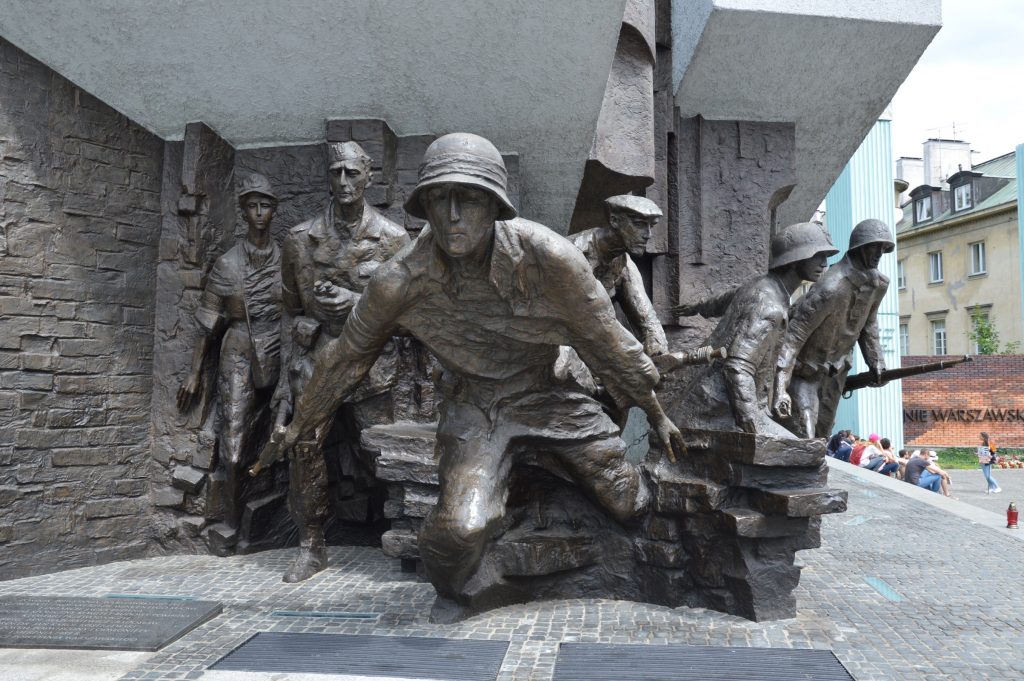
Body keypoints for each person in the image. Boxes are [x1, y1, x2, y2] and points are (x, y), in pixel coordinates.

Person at [257, 133, 685, 601]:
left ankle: (526, 497)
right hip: (475, 406)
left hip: (550, 396)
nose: (453, 215)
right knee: (456, 538)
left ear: (495, 205)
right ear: (425, 206)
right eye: (440, 198)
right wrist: (300, 425)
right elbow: (344, 360)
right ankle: (499, 534)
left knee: (629, 501)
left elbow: (611, 345)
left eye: (469, 199)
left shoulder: (549, 258)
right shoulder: (400, 280)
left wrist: (654, 413)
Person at [275, 141, 411, 582]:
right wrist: (299, 334)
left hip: (374, 365)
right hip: (319, 362)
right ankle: (311, 544)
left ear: (368, 176)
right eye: (336, 173)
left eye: (352, 173)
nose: (344, 182)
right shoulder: (299, 239)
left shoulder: (393, 239)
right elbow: (289, 309)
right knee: (304, 446)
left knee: (392, 451)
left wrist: (356, 302)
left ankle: (410, 535)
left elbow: (409, 313)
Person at [177, 173, 282, 546]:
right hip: (237, 349)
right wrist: (193, 373)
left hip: (281, 348)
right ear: (242, 212)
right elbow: (207, 325)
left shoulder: (288, 259)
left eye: (265, 205)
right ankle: (235, 521)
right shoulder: (226, 265)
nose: (258, 213)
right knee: (233, 444)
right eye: (251, 206)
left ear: (274, 211)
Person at [669, 221, 838, 437]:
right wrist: (752, 425)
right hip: (716, 412)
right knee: (804, 454)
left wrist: (696, 308)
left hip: (710, 401)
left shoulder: (761, 285)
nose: (825, 263)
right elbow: (737, 369)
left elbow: (721, 301)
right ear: (796, 259)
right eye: (818, 255)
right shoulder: (770, 307)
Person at [773, 219, 895, 438]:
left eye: (883, 248)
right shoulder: (831, 286)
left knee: (823, 435)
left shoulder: (880, 284)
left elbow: (869, 324)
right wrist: (780, 385)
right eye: (873, 247)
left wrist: (876, 362)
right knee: (805, 436)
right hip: (804, 373)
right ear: (859, 248)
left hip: (835, 374)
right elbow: (794, 337)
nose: (878, 253)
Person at [568, 195, 668, 357]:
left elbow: (649, 322)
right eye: (639, 224)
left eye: (651, 226)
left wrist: (659, 353)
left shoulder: (624, 263)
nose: (648, 235)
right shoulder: (575, 253)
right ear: (614, 221)